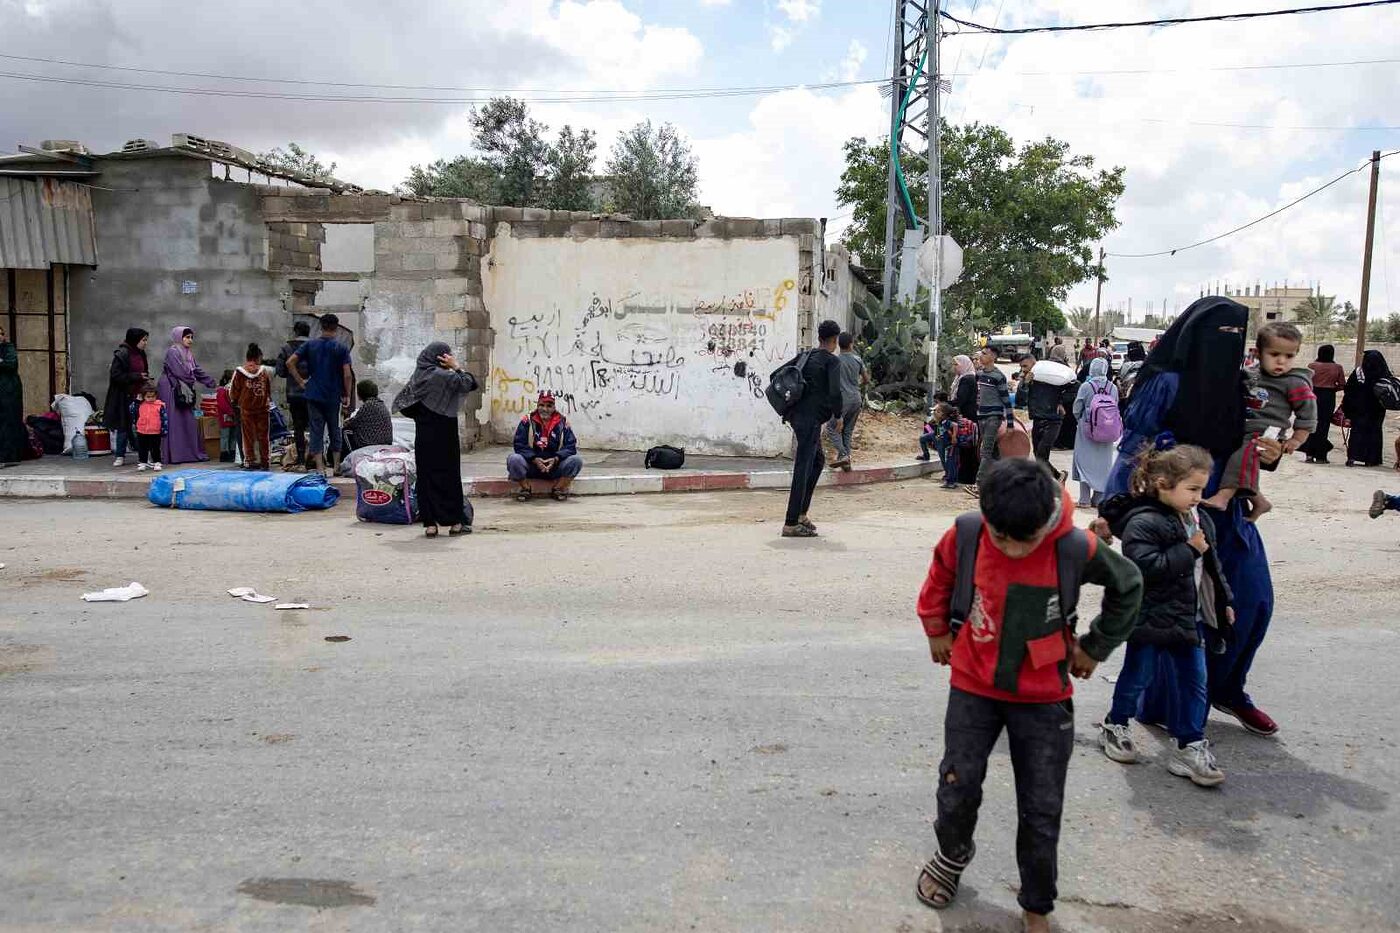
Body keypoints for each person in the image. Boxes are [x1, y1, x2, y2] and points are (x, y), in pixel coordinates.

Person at [913, 459, 1141, 931]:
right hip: (972, 685)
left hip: (1043, 695)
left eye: (1027, 539)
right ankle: (951, 855)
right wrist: (936, 628)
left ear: (1047, 521)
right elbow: (938, 577)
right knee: (957, 784)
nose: (1014, 549)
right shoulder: (969, 532)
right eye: (1003, 538)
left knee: (1040, 805)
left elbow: (1129, 586)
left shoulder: (1076, 546)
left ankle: (1037, 902)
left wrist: (1095, 646)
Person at [1103, 296, 1284, 738]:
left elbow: (1252, 437)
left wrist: (1273, 452)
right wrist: (1114, 507)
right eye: (1219, 335)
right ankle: (1167, 706)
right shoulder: (1166, 381)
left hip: (1230, 510)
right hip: (1176, 514)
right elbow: (1136, 445)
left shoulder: (1242, 385)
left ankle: (1227, 689)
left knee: (1253, 600)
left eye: (1235, 337)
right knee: (1180, 616)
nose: (1227, 345)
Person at [1097, 443, 1235, 787]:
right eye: (1191, 489)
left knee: (1194, 681)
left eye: (1202, 489)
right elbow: (1145, 567)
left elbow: (1211, 568)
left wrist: (1223, 601)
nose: (1198, 496)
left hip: (1189, 618)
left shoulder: (1199, 519)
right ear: (1161, 483)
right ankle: (1116, 724)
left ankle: (1188, 745)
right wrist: (1188, 550)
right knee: (1137, 675)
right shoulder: (1143, 522)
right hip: (1149, 616)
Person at [1201, 322, 1315, 520]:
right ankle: (1259, 501)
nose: (1281, 362)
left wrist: (1296, 440)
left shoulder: (1295, 382)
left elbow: (1308, 414)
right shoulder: (1249, 374)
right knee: (1238, 461)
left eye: (1289, 356)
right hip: (1244, 428)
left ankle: (1223, 496)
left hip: (1267, 433)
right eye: (1274, 354)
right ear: (1258, 352)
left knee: (1243, 454)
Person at [393, 342, 478, 537]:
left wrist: (422, 415)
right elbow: (469, 383)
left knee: (426, 477)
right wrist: (456, 366)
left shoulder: (418, 377)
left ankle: (430, 524)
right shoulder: (444, 377)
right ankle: (455, 522)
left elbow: (402, 403)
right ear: (442, 357)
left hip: (424, 436)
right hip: (445, 435)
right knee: (449, 476)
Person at [776, 320, 843, 537]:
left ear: (819, 337)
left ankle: (802, 513)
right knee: (803, 466)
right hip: (810, 420)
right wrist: (839, 415)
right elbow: (834, 393)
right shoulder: (832, 362)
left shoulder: (806, 355)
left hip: (797, 416)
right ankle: (791, 522)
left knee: (817, 461)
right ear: (834, 340)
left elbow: (779, 373)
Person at [287, 313, 353, 475]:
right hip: (333, 395)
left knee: (316, 430)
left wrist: (301, 381)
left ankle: (320, 468)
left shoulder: (310, 345)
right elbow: (347, 374)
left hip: (313, 394)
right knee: (334, 429)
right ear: (336, 328)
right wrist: (348, 395)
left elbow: (290, 363)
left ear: (321, 327)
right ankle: (336, 466)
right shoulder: (341, 348)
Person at [508, 391, 584, 503]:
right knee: (514, 459)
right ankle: (525, 488)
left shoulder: (562, 422)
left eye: (549, 406)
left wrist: (556, 458)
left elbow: (570, 445)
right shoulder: (527, 421)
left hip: (554, 466)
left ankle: (558, 489)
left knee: (576, 461)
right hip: (532, 465)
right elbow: (519, 444)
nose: (545, 409)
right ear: (537, 405)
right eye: (542, 405)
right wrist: (534, 459)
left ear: (554, 407)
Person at [156, 326, 217, 464]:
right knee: (175, 422)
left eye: (191, 337)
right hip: (171, 389)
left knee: (188, 421)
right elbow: (179, 371)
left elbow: (195, 370)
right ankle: (175, 455)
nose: (190, 340)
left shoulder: (188, 354)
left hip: (184, 390)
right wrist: (192, 380)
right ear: (179, 337)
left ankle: (187, 453)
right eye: (187, 337)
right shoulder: (173, 352)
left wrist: (209, 381)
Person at [1072, 358, 1120, 509]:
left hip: (1086, 430)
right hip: (1107, 431)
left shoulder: (1086, 386)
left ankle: (1084, 499)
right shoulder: (1112, 387)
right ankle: (1098, 499)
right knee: (1102, 465)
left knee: (1084, 463)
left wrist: (1081, 420)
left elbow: (1076, 408)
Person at [1027, 351, 1077, 477]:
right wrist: (1025, 383)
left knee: (1042, 454)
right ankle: (1055, 477)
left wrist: (1060, 401)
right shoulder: (1036, 379)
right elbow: (1021, 399)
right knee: (1039, 455)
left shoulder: (1059, 377)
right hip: (1038, 419)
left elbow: (1075, 387)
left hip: (1053, 420)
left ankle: (1055, 477)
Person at [971, 346, 1015, 493]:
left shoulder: (998, 376)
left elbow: (1006, 401)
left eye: (985, 354)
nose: (981, 356)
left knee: (986, 450)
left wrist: (1010, 423)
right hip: (981, 416)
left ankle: (979, 484)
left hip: (993, 417)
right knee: (994, 452)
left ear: (993, 357)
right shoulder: (979, 374)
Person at [102, 328, 148, 467]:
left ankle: (143, 455)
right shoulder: (122, 354)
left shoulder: (141, 354)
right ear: (135, 340)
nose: (145, 343)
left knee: (140, 426)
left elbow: (144, 370)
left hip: (138, 395)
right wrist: (136, 376)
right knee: (123, 426)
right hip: (124, 396)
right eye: (143, 340)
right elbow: (116, 376)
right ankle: (120, 455)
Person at [1342, 349, 1393, 468]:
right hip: (1377, 408)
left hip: (1359, 408)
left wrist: (1348, 408)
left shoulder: (1359, 373)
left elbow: (1349, 390)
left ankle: (1353, 457)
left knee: (1357, 432)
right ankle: (1371, 459)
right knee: (1374, 432)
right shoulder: (1384, 373)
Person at [825, 331, 867, 470]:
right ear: (851, 344)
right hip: (856, 398)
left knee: (831, 428)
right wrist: (856, 386)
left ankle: (843, 454)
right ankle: (846, 464)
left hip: (842, 400)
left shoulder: (835, 361)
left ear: (838, 344)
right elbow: (866, 379)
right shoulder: (857, 359)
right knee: (847, 431)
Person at [1299, 344, 1346, 464]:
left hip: (1312, 395)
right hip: (1328, 397)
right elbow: (1342, 384)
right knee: (1323, 426)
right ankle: (1321, 456)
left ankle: (1309, 455)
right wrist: (1331, 389)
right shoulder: (1337, 367)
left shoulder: (1312, 366)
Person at [275, 321, 312, 471]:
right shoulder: (314, 347)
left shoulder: (286, 348)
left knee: (298, 427)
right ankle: (315, 458)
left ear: (295, 332)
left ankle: (301, 460)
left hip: (294, 393)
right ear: (309, 332)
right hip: (313, 393)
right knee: (316, 427)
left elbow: (281, 371)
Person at [230, 344, 272, 471]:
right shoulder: (264, 372)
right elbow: (268, 389)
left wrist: (235, 401)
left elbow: (233, 391)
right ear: (258, 357)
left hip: (246, 409)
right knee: (263, 436)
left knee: (248, 437)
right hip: (263, 409)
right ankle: (265, 461)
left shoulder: (239, 372)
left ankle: (250, 460)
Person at [344, 380, 394, 451]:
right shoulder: (380, 404)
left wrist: (345, 421)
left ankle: (343, 457)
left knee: (344, 432)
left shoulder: (368, 405)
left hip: (371, 444)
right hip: (385, 443)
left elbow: (353, 424)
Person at [129, 381, 167, 472]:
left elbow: (164, 418)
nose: (150, 399)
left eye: (153, 396)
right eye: (148, 397)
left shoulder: (160, 405)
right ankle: (143, 462)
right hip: (142, 430)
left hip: (155, 431)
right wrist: (137, 400)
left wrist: (164, 430)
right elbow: (131, 410)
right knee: (142, 448)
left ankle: (157, 462)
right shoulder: (139, 404)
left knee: (155, 448)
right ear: (143, 396)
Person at [0, 323, 22, 465]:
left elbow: (11, 363)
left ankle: (9, 457)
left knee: (8, 422)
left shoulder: (8, 348)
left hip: (9, 392)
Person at [216, 370, 240, 464]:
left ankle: (232, 452)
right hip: (226, 417)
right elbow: (222, 405)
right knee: (225, 436)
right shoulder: (222, 390)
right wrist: (232, 412)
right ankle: (224, 453)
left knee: (233, 436)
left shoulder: (232, 390)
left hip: (233, 417)